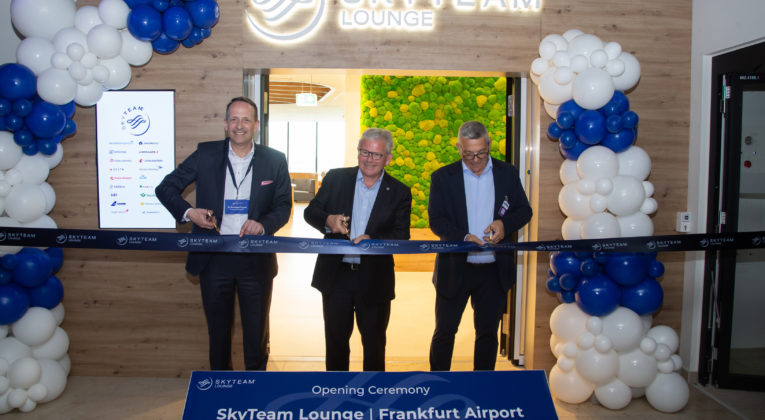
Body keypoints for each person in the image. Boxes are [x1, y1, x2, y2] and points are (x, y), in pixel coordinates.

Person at [156, 97, 291, 370]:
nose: (239, 125)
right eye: (234, 119)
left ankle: (255, 384)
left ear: (256, 125)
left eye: (246, 120)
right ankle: (221, 384)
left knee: (256, 331)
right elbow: (165, 188)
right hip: (214, 257)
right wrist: (189, 213)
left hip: (256, 258)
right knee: (218, 331)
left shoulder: (274, 160)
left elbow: (283, 206)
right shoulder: (205, 154)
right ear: (226, 124)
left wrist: (262, 225)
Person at [304, 128, 412, 371]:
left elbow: (401, 236)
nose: (369, 159)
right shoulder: (335, 178)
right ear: (358, 152)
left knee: (374, 347)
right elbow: (311, 211)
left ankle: (373, 392)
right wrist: (328, 220)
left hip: (375, 279)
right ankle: (336, 391)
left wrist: (373, 240)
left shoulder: (399, 192)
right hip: (336, 276)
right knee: (336, 345)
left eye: (376, 154)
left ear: (388, 158)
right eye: (364, 152)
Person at [428, 120, 532, 371]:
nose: (475, 160)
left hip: (494, 271)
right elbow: (436, 220)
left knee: (487, 333)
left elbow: (524, 211)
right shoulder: (442, 177)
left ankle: (482, 385)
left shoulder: (507, 173)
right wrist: (463, 237)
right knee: (445, 332)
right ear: (458, 148)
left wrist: (504, 225)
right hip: (455, 268)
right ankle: (438, 384)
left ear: (489, 145)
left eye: (481, 154)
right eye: (468, 154)